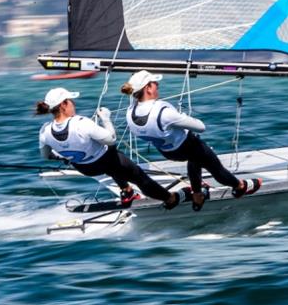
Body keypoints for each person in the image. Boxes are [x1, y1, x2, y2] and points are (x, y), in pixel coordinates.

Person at [120, 70, 261, 208]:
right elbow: (201, 127)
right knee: (215, 168)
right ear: (148, 88)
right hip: (189, 146)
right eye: (155, 83)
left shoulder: (130, 113)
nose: (158, 85)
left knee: (194, 158)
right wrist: (182, 116)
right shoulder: (165, 113)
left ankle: (197, 194)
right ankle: (240, 187)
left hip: (168, 152)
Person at [36, 87, 192, 210]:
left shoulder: (45, 131)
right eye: (70, 101)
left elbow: (46, 155)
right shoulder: (81, 122)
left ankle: (126, 191)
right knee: (138, 177)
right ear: (63, 105)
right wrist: (106, 119)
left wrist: (64, 155)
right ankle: (170, 198)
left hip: (87, 169)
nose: (73, 104)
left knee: (109, 160)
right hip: (107, 162)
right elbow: (110, 140)